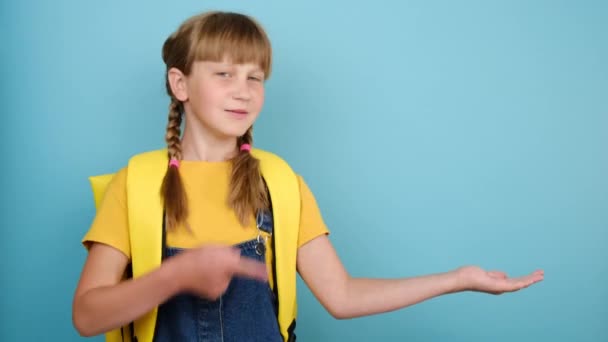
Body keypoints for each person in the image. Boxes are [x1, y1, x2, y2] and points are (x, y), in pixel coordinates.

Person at [72, 10, 544, 342]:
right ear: (181, 84)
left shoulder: (278, 182)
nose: (243, 92)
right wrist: (176, 276)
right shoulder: (136, 183)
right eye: (224, 74)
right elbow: (88, 316)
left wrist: (456, 279)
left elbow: (341, 296)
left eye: (255, 78)